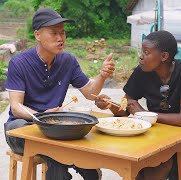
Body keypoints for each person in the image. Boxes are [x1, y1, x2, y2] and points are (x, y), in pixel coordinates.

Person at [4, 8, 115, 180]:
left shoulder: (68, 61)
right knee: (16, 127)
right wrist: (42, 117)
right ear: (37, 35)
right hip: (26, 128)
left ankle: (66, 166)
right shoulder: (19, 63)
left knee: (74, 131)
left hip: (55, 130)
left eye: (62, 33)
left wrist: (102, 75)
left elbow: (90, 93)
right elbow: (16, 107)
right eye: (54, 33)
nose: (60, 38)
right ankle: (76, 165)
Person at [95, 30, 181, 180]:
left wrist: (144, 115)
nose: (141, 56)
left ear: (164, 56)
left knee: (156, 167)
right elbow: (125, 109)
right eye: (141, 51)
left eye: (146, 52)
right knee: (135, 168)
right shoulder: (142, 72)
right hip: (151, 138)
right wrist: (108, 104)